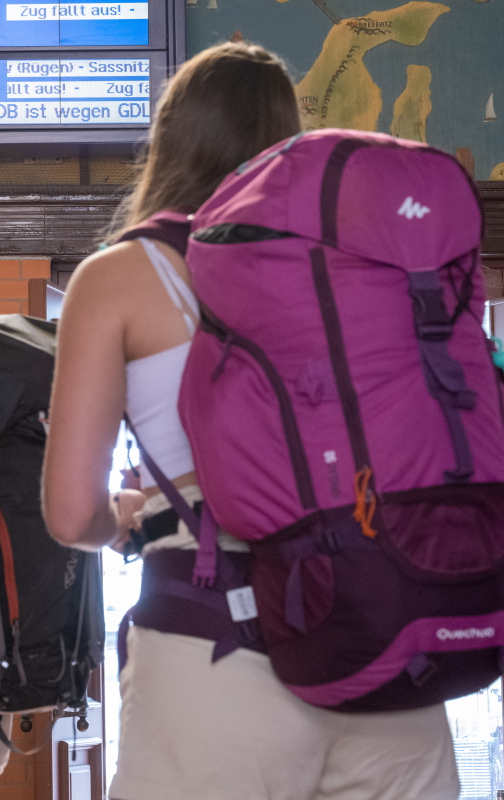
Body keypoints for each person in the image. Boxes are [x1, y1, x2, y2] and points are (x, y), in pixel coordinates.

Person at [39, 42, 460, 800]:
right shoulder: (369, 265)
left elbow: (72, 512)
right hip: (386, 637)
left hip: (216, 650)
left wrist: (122, 517)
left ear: (170, 138)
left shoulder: (124, 277)